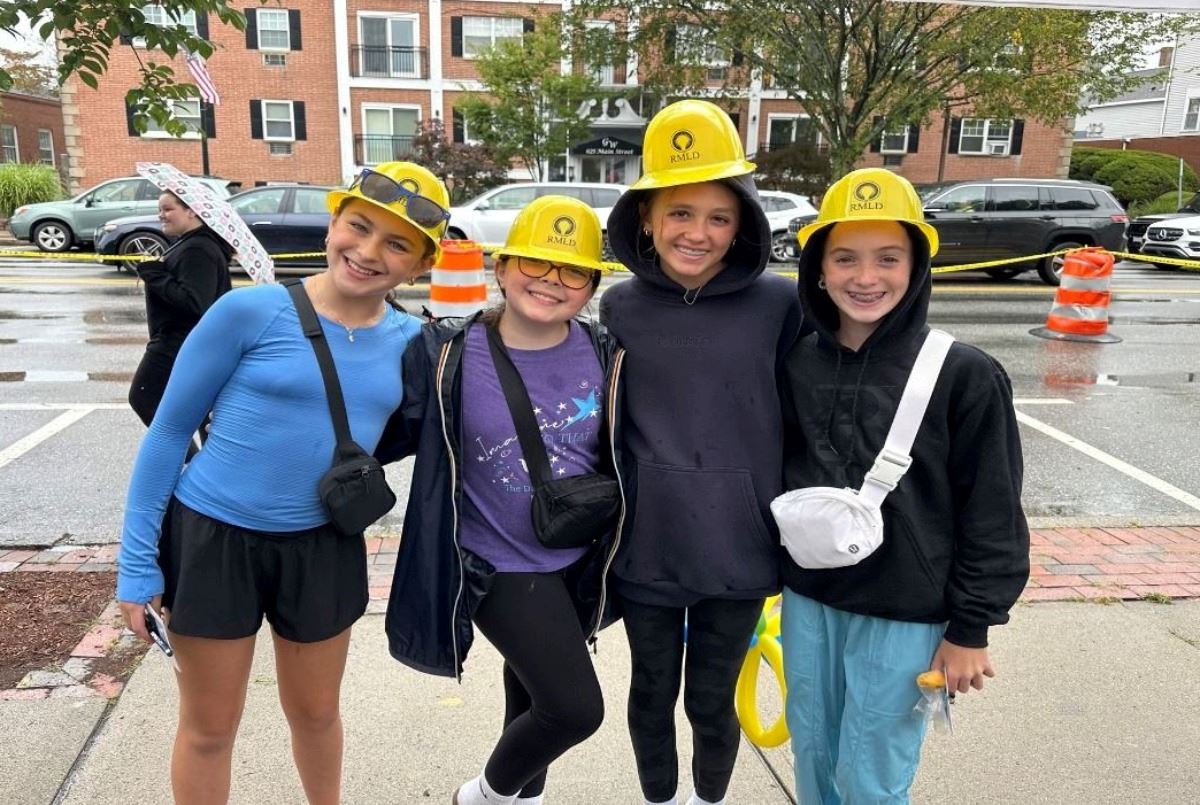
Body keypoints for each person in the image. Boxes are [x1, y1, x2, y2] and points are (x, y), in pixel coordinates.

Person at [115, 161, 450, 805]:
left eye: (397, 243)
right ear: (333, 225)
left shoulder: (418, 345)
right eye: (358, 227)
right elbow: (165, 435)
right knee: (210, 728)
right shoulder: (250, 311)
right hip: (213, 540)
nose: (368, 251)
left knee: (318, 716)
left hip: (322, 545)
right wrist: (137, 567)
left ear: (420, 264)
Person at [777, 168, 1030, 803]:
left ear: (916, 266)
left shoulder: (964, 372)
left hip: (907, 610)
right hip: (809, 598)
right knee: (814, 751)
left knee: (871, 772)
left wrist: (971, 627)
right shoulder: (796, 361)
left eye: (888, 258)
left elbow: (992, 509)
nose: (866, 277)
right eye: (845, 258)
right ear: (818, 268)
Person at [375, 195, 622, 805]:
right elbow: (382, 428)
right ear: (503, 267)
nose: (550, 282)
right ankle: (482, 797)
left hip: (577, 557)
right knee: (573, 710)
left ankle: (522, 799)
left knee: (531, 697)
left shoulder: (606, 352)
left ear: (590, 285)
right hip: (496, 566)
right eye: (535, 264)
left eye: (571, 271)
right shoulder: (447, 353)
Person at [599, 99, 803, 805]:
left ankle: (709, 798)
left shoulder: (780, 305)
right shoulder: (618, 307)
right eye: (679, 214)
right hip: (647, 546)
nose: (699, 232)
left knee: (711, 700)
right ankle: (660, 797)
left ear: (742, 222)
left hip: (739, 547)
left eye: (719, 216)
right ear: (647, 219)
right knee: (650, 691)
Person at [128, 190, 233, 450]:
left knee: (145, 397)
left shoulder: (198, 248)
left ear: (192, 210)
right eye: (160, 209)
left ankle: (191, 462)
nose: (161, 215)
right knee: (200, 411)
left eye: (167, 209)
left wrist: (155, 274)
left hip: (177, 343)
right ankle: (205, 470)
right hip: (190, 343)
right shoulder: (193, 243)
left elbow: (196, 302)